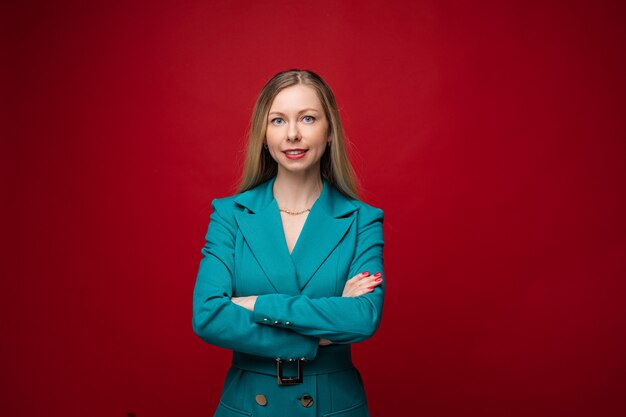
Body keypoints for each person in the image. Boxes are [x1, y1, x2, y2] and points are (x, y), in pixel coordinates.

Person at [192, 69, 385, 417]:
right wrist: (319, 336)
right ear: (264, 135)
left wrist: (256, 304)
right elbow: (208, 316)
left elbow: (363, 318)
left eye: (307, 118)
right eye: (278, 120)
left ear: (329, 132)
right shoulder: (229, 215)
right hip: (248, 403)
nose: (293, 134)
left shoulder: (362, 220)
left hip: (333, 405)